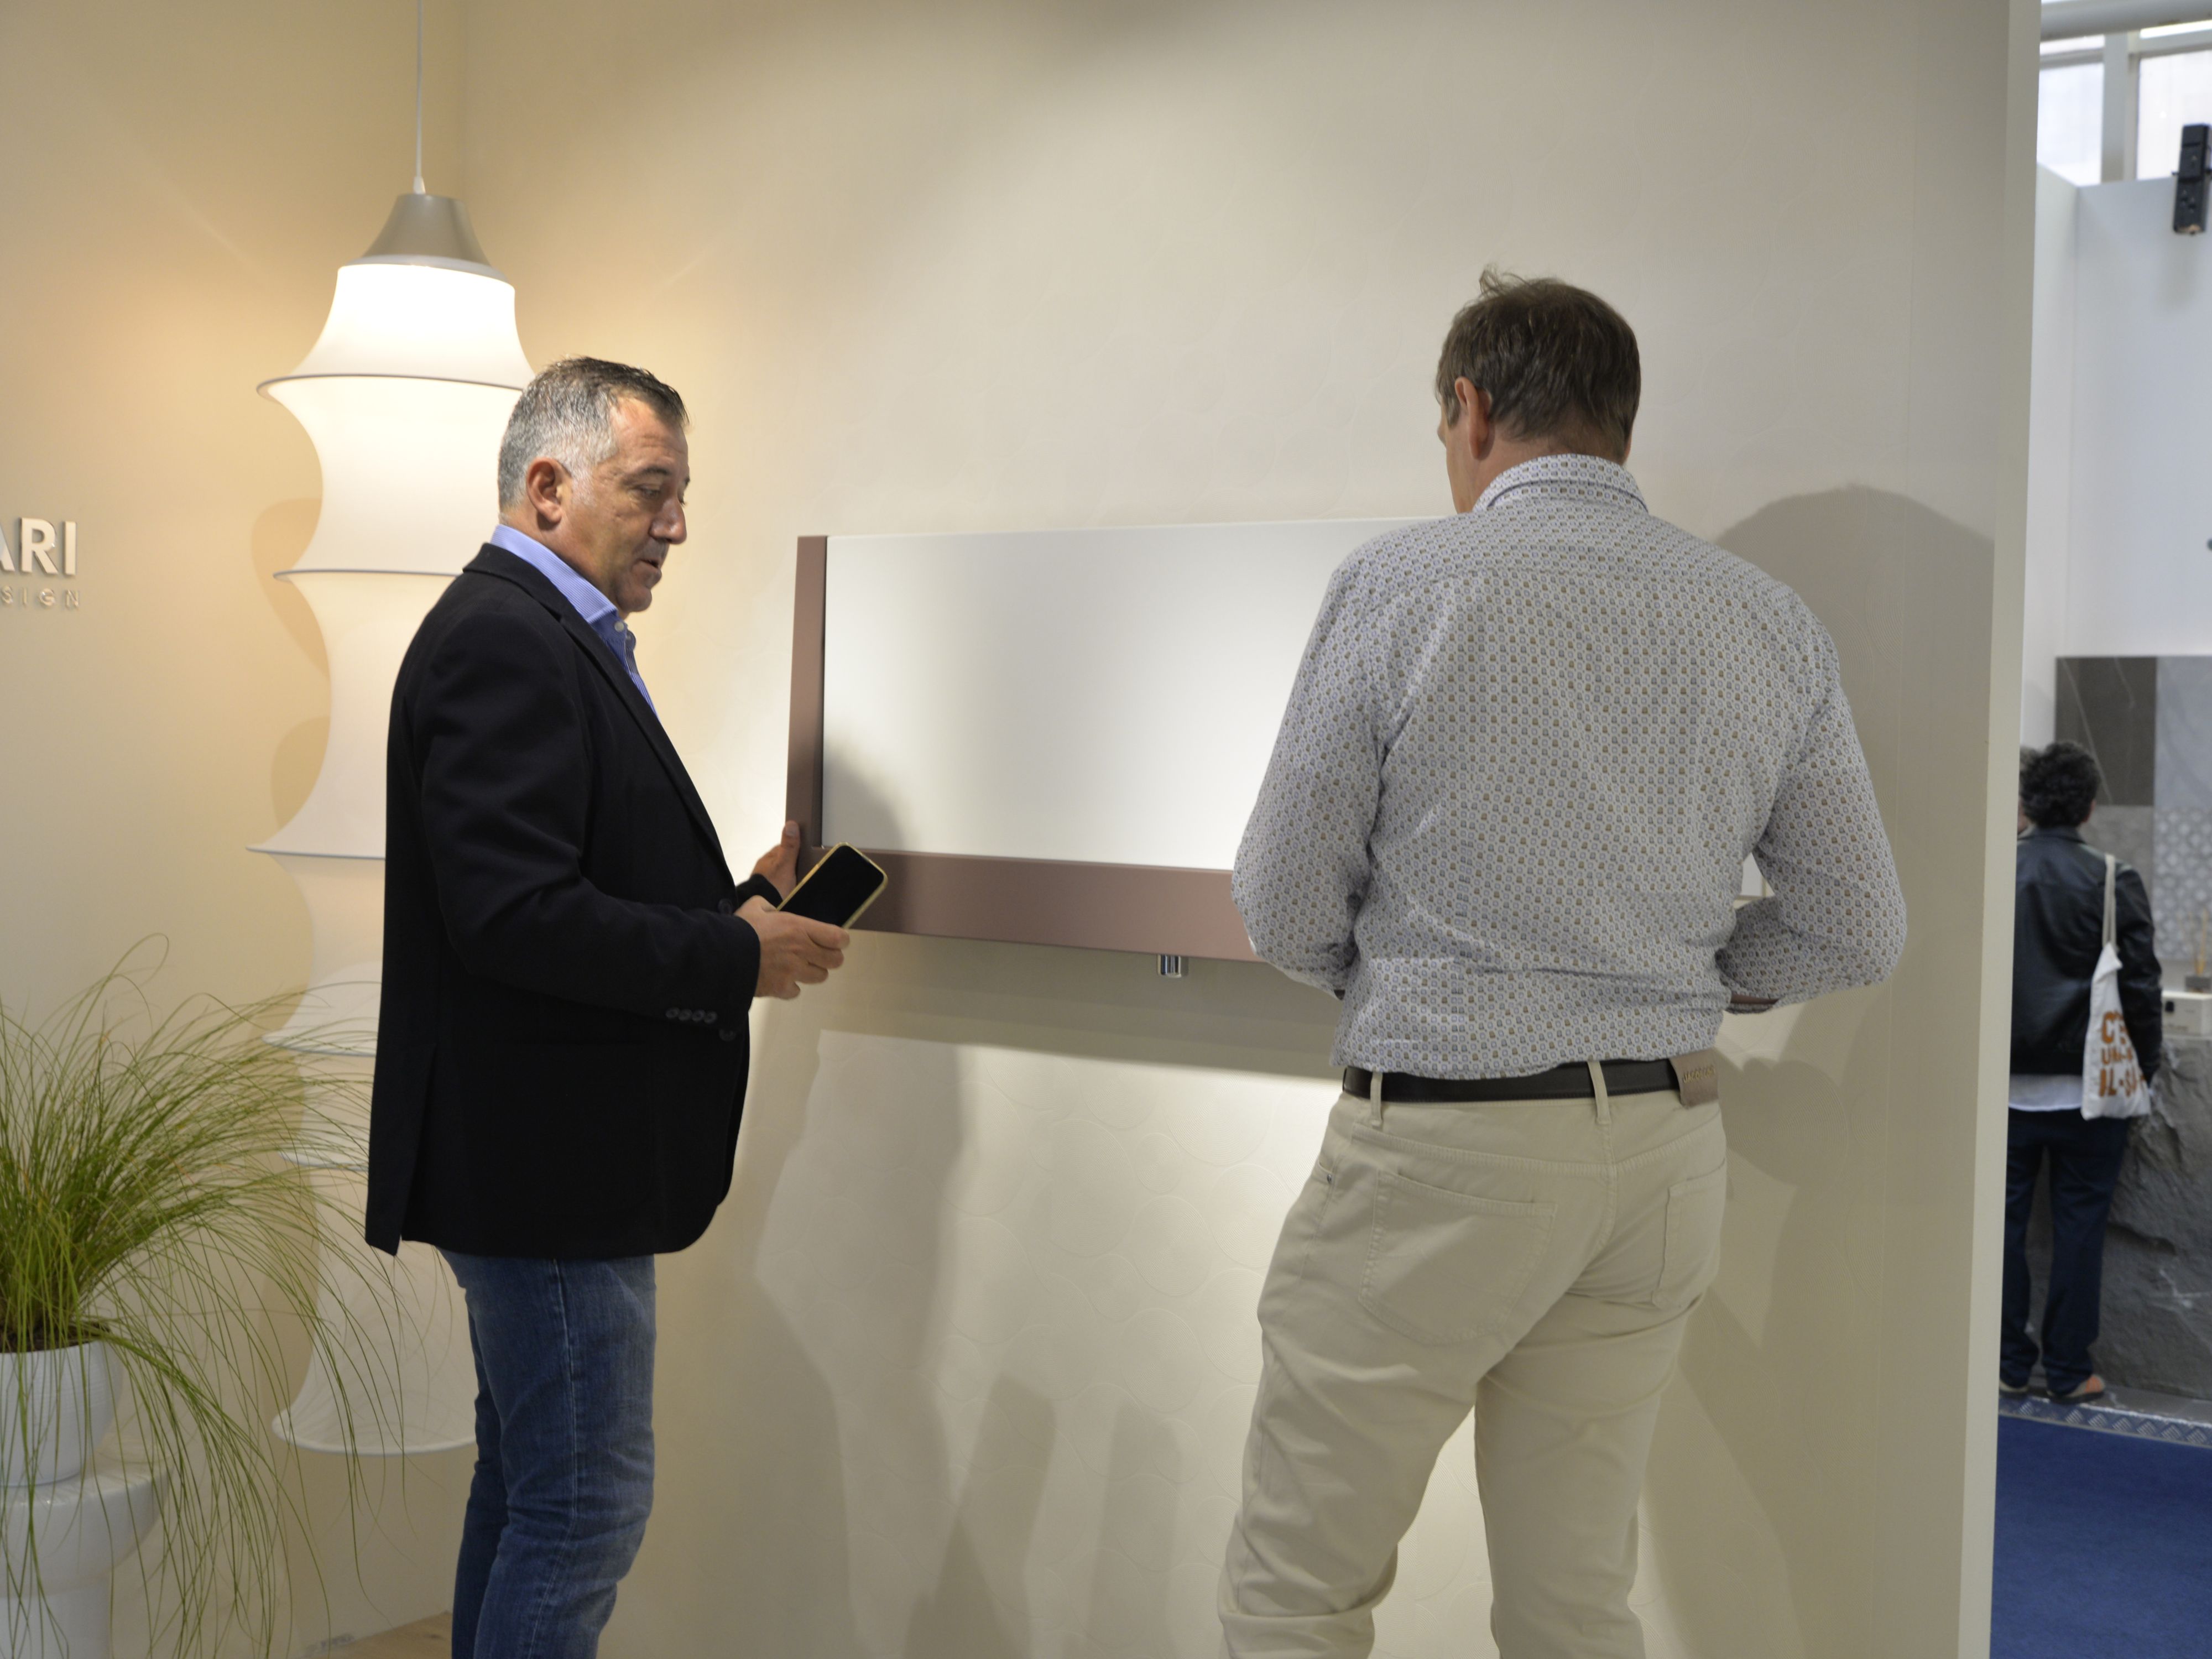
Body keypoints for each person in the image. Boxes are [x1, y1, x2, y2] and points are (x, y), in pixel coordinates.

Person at [1219, 270, 1907, 1659]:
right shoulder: (1763, 617)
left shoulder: (1401, 584)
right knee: (1574, 1598)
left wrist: (1413, 973)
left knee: (1300, 1587)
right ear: (1618, 423)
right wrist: (1681, 972)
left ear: (1471, 409)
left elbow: (1282, 903)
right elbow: (1855, 924)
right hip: (1660, 1149)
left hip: (1443, 1140)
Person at [366, 357, 850, 1658]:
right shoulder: (506, 639)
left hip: (540, 1166)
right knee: (584, 1512)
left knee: (531, 1491)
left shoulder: (535, 632)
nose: (676, 525)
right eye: (650, 490)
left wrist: (736, 905)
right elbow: (513, 915)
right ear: (548, 487)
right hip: (546, 1175)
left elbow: (560, 882)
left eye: (681, 494)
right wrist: (730, 956)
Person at [2004, 740, 2159, 1405]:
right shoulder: (2112, 878)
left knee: (1999, 1230)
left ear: (2026, 803)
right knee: (2079, 1231)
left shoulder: (1995, 872)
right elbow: (2141, 989)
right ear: (2089, 806)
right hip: (2090, 1091)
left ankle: (2005, 1365)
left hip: (1999, 1093)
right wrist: (2144, 1071)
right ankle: (2068, 1372)